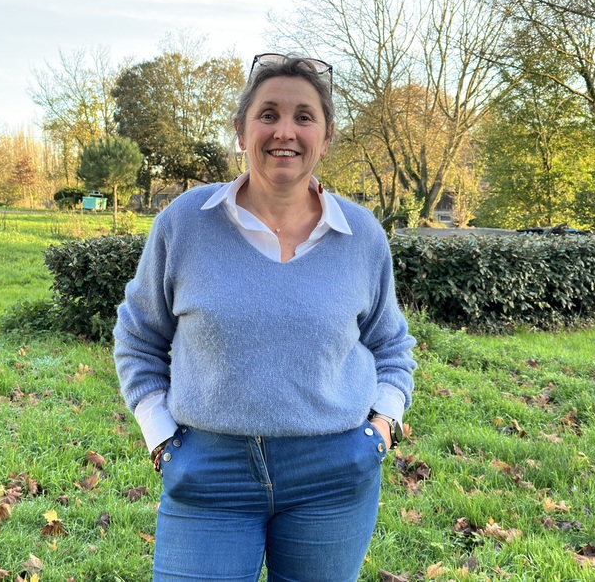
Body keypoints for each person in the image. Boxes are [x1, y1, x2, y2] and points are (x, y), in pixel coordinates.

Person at [113, 53, 417, 581]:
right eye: (268, 113)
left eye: (304, 117)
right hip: (209, 473)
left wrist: (382, 428)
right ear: (240, 129)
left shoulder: (362, 236)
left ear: (325, 137)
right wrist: (160, 436)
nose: (285, 131)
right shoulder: (184, 223)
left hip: (334, 474)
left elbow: (390, 345)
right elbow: (138, 337)